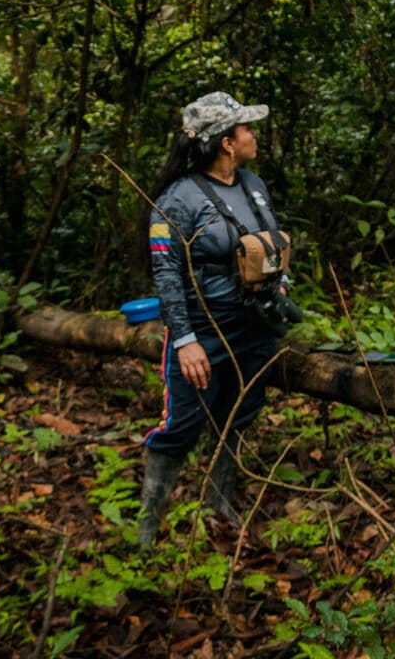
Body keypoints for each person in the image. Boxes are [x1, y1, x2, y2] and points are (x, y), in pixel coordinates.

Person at [137, 91, 291, 548]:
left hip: (254, 329)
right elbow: (166, 271)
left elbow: (269, 243)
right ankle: (148, 527)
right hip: (204, 331)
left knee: (239, 416)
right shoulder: (177, 200)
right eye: (247, 129)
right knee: (182, 425)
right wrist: (184, 339)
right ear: (226, 142)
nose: (254, 135)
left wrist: (280, 283)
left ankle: (219, 507)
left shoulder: (253, 183)